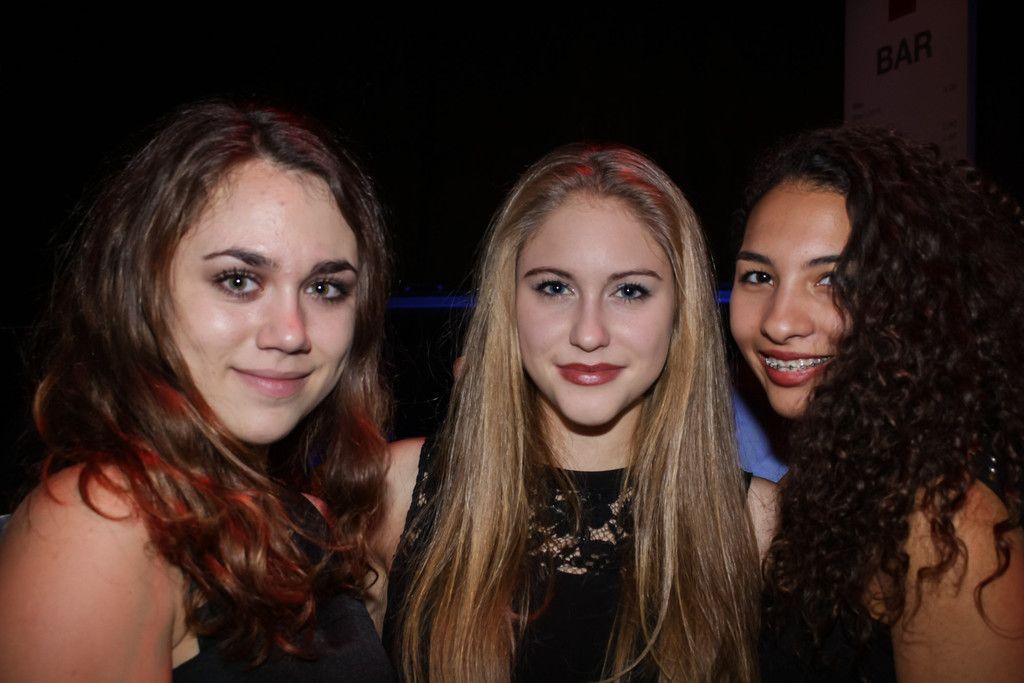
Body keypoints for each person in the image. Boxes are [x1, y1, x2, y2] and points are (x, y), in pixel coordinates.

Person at [0, 102, 396, 681]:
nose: (291, 333)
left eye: (325, 288)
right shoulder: (101, 525)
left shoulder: (303, 517)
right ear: (143, 293)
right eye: (238, 280)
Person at [374, 143, 766, 682]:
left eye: (629, 291)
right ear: (509, 302)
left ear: (681, 311)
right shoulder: (391, 493)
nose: (588, 333)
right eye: (555, 287)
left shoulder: (758, 527)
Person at [729, 126, 1024, 682]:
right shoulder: (831, 485)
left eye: (832, 280)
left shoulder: (948, 527)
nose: (779, 322)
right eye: (759, 276)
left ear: (914, 301)